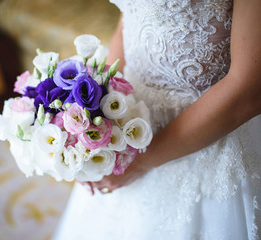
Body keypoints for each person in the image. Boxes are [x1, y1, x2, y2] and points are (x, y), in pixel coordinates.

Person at [53, 0, 261, 239]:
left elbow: (249, 89)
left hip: (212, 143)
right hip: (129, 126)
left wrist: (139, 163)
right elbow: (129, 15)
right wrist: (99, 107)